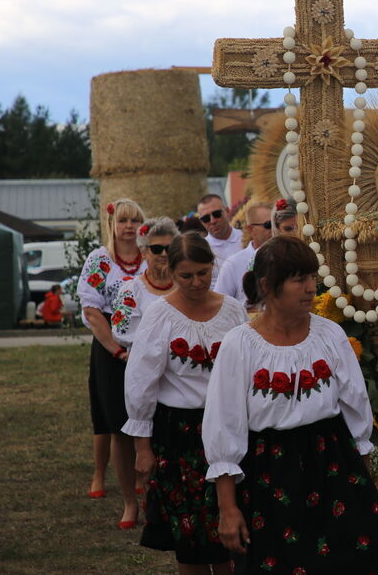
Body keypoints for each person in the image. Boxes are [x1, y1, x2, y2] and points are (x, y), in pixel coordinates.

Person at [203, 236, 378, 572]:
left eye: (312, 277)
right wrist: (228, 508)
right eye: (299, 279)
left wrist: (363, 487)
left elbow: (356, 411)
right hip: (271, 472)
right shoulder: (240, 346)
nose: (311, 288)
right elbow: (224, 427)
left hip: (333, 463)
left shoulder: (329, 335)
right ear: (268, 286)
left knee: (374, 560)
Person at [123, 232, 248, 572]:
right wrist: (143, 447)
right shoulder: (160, 316)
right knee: (189, 539)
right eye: (186, 275)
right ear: (171, 272)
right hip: (179, 433)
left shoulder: (233, 311)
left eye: (203, 273)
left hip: (227, 426)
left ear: (213, 267)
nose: (196, 282)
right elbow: (141, 383)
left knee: (228, 539)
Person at [77, 198, 147, 526]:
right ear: (112, 225)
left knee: (150, 420)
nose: (129, 227)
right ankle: (129, 502)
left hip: (148, 346)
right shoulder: (100, 260)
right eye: (123, 221)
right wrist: (117, 350)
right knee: (119, 425)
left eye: (135, 221)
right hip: (110, 350)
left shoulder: (153, 257)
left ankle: (149, 490)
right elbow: (92, 311)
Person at [111, 218, 179, 349]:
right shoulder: (131, 291)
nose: (164, 254)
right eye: (157, 249)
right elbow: (123, 333)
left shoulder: (186, 284)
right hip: (145, 363)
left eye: (170, 248)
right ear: (143, 253)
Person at [215, 202, 273, 305]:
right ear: (251, 229)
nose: (274, 229)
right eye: (268, 225)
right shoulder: (233, 264)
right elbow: (219, 305)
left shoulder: (287, 256)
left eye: (276, 224)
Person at [197, 194, 242, 285]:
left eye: (216, 214)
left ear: (227, 211)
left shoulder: (246, 239)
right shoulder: (200, 249)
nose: (212, 221)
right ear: (201, 222)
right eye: (206, 219)